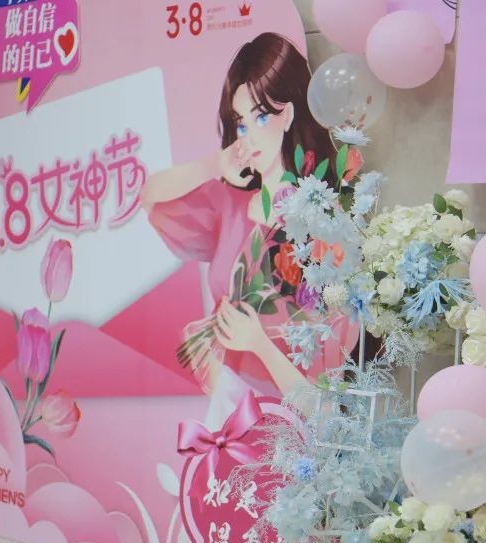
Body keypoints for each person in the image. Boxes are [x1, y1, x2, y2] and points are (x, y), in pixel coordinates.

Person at [143, 32, 348, 422]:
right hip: (227, 406)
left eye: (260, 116)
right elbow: (151, 198)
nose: (248, 137)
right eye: (240, 123)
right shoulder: (230, 205)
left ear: (288, 114)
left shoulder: (323, 222)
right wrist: (213, 165)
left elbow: (322, 400)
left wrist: (258, 344)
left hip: (287, 425)